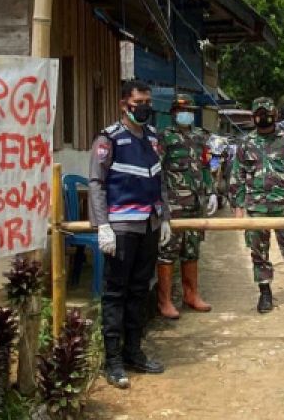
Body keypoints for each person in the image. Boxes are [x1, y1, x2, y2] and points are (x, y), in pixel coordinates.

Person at [89, 79, 173, 389]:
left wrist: (164, 217)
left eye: (148, 102)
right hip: (121, 227)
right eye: (140, 102)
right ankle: (113, 361)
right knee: (115, 293)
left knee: (140, 290)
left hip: (149, 225)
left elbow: (158, 178)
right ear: (125, 104)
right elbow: (96, 183)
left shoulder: (151, 137)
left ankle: (133, 352)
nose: (146, 108)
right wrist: (103, 226)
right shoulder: (108, 139)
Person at [230, 97, 284, 315]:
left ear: (276, 115)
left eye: (267, 113)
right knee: (259, 253)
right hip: (256, 208)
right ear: (253, 117)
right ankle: (265, 294)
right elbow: (237, 176)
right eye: (259, 113)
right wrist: (238, 207)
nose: (263, 117)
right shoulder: (246, 143)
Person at [156, 94, 218, 319]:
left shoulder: (200, 136)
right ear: (173, 113)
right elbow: (158, 173)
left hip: (195, 203)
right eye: (183, 110)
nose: (187, 114)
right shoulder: (164, 138)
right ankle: (165, 301)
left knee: (192, 250)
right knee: (167, 252)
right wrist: (161, 206)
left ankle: (191, 295)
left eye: (190, 110)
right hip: (174, 205)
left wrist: (211, 192)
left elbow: (205, 166)